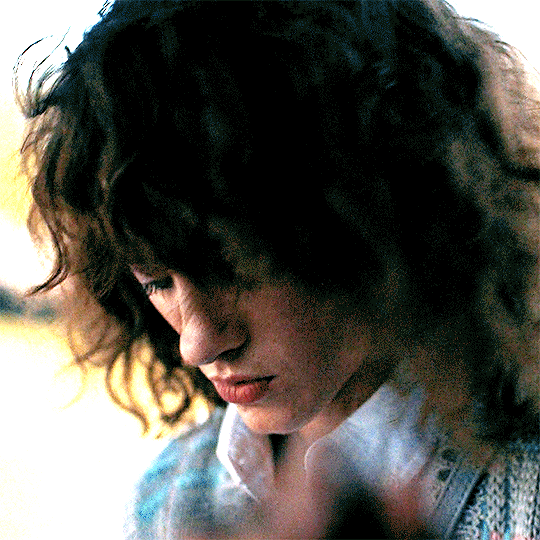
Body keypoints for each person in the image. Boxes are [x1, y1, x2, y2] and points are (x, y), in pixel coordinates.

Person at [18, 0, 540, 537]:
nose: (197, 343)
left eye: (233, 265)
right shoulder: (163, 499)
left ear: (383, 208)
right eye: (156, 280)